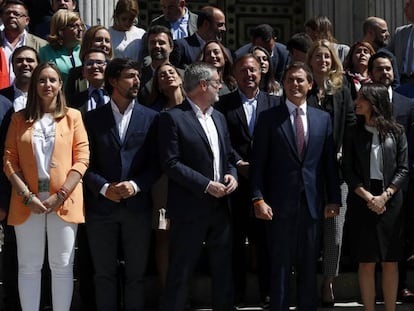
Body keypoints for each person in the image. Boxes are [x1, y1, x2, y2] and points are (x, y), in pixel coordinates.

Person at [251, 61, 341, 311]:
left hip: (312, 206)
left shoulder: (323, 119)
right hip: (278, 206)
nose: (294, 85)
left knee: (309, 265)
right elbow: (258, 164)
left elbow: (328, 164)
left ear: (310, 84)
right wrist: (258, 198)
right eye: (290, 80)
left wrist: (334, 198)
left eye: (300, 80)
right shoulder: (268, 119)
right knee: (279, 266)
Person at [3, 61, 89, 311]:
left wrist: (60, 195)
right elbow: (9, 160)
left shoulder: (73, 117)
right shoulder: (19, 119)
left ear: (60, 84)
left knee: (62, 265)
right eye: (42, 80)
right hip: (26, 202)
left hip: (63, 201)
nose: (47, 85)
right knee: (28, 266)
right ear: (34, 85)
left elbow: (82, 159)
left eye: (52, 80)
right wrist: (27, 195)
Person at [158, 62, 238, 311]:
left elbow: (228, 158)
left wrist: (231, 175)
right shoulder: (172, 118)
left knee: (223, 271)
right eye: (216, 82)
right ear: (203, 85)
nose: (220, 86)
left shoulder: (220, 118)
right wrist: (205, 185)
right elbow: (170, 163)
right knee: (181, 271)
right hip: (189, 209)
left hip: (220, 207)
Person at [83, 57, 159, 311]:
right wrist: (104, 188)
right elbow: (83, 163)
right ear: (113, 81)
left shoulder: (152, 118)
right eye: (130, 76)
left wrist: (135, 186)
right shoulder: (91, 119)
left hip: (137, 208)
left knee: (136, 277)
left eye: (138, 76)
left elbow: (158, 164)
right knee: (103, 275)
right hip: (100, 209)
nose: (137, 81)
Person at [215, 53, 279, 309]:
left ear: (261, 73)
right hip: (236, 182)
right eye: (243, 71)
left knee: (265, 241)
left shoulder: (275, 103)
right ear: (235, 76)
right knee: (235, 240)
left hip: (267, 183)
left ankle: (267, 291)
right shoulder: (222, 105)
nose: (249, 75)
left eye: (253, 70)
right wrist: (238, 163)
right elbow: (221, 140)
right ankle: (237, 292)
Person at [342, 83, 409, 311]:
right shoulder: (352, 131)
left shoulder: (397, 131)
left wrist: (385, 196)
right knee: (367, 261)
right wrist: (369, 197)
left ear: (375, 102)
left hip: (391, 201)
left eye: (362, 98)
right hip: (363, 200)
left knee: (391, 261)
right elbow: (348, 170)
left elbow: (403, 168)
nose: (356, 102)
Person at [306, 39, 356, 307]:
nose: (323, 61)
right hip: (307, 172)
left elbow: (350, 124)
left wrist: (342, 153)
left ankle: (329, 283)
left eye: (327, 57)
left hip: (336, 171)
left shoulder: (342, 89)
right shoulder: (301, 86)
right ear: (310, 60)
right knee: (309, 230)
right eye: (318, 56)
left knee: (334, 233)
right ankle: (305, 282)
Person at [368, 51, 414, 303]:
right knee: (372, 238)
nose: (384, 73)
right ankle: (373, 287)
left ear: (393, 72)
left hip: (400, 180)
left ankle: (401, 285)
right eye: (379, 69)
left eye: (388, 69)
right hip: (371, 181)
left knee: (399, 235)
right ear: (370, 73)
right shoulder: (363, 101)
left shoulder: (406, 103)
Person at [147, 62, 184, 290]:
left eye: (171, 72)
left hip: (191, 179)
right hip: (163, 180)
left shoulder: (195, 107)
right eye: (162, 75)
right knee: (164, 234)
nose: (167, 76)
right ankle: (167, 290)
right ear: (158, 86)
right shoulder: (154, 114)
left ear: (181, 78)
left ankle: (183, 290)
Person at [1, 0, 47, 84]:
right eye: (7, 13)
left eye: (16, 14)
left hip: (30, 94)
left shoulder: (42, 46)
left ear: (27, 20)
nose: (11, 16)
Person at [65, 25, 113, 103]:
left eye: (107, 41)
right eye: (99, 40)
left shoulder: (117, 73)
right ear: (88, 43)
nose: (104, 44)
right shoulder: (75, 74)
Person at [38, 9, 85, 85]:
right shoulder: (45, 53)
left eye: (81, 25)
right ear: (61, 30)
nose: (80, 29)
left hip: (82, 96)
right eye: (74, 26)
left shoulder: (84, 50)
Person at [67, 48, 109, 115]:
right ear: (83, 72)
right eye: (89, 63)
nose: (95, 66)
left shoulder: (118, 96)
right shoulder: (74, 101)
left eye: (99, 62)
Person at [0, 46, 39, 111]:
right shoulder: (1, 97)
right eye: (19, 61)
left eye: (30, 60)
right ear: (12, 66)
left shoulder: (45, 97)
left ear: (38, 66)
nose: (25, 63)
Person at [387, 0, 414, 84]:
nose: (404, 9)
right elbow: (388, 52)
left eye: (408, 5)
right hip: (403, 82)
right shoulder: (400, 32)